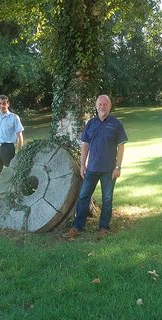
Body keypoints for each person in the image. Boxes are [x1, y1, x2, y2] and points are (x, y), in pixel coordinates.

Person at [65, 95, 128, 238]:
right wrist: (82, 165)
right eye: (100, 104)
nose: (102, 106)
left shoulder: (116, 123)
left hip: (109, 170)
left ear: (110, 106)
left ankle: (104, 227)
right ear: (96, 106)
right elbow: (85, 145)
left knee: (107, 199)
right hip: (91, 169)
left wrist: (118, 167)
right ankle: (77, 226)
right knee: (83, 196)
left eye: (105, 104)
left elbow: (121, 147)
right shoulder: (91, 123)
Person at [0, 94, 24, 183]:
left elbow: (20, 136)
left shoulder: (14, 118)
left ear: (8, 104)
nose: (2, 106)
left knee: (12, 174)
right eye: (0, 103)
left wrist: (20, 152)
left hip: (8, 149)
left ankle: (13, 195)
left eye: (4, 103)